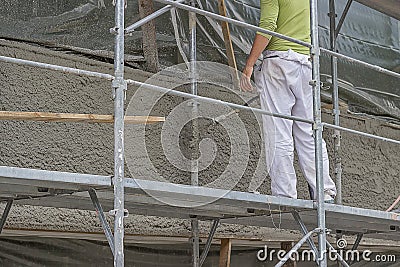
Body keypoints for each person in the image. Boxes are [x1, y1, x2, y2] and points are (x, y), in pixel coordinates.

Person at [240, 0, 336, 202]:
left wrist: (249, 65)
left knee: (279, 131)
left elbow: (268, 26)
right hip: (305, 65)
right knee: (309, 133)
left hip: (278, 63)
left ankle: (285, 194)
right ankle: (325, 191)